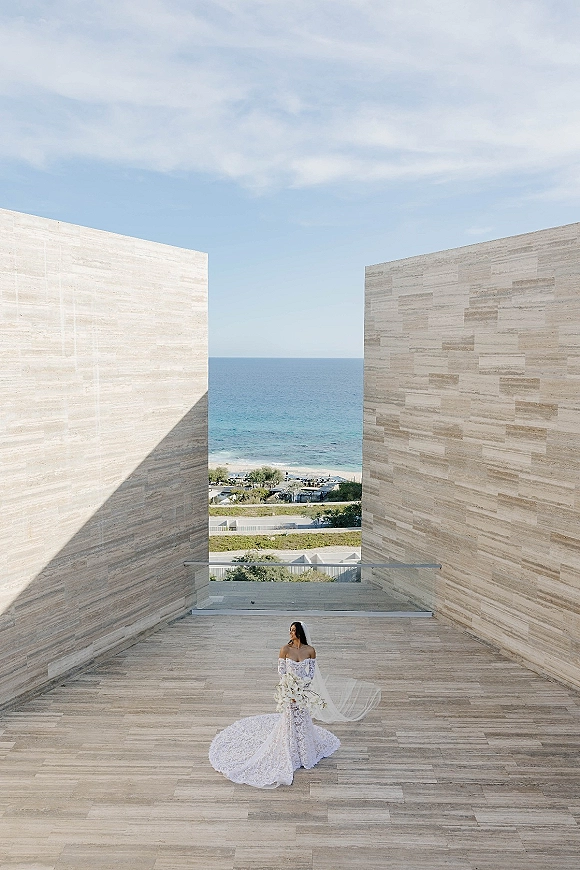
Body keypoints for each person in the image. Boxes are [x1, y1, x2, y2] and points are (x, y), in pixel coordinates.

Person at [208, 620, 380, 789]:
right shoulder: (285, 650)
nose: (290, 633)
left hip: (302, 693)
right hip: (290, 693)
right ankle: (291, 750)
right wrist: (289, 690)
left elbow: (311, 673)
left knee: (303, 719)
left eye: (293, 630)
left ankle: (305, 752)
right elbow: (281, 672)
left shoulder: (310, 651)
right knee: (290, 719)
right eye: (290, 630)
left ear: (300, 633)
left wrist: (302, 690)